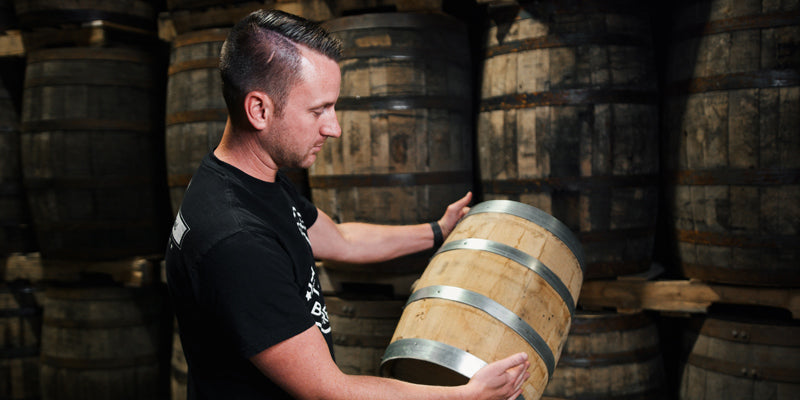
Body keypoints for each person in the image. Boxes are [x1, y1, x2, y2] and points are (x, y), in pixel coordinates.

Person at [165, 9, 530, 400]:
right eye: (318, 110)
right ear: (259, 110)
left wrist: (437, 230)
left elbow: (341, 240)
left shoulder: (251, 180)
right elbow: (330, 390)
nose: (334, 128)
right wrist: (469, 395)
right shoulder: (236, 238)